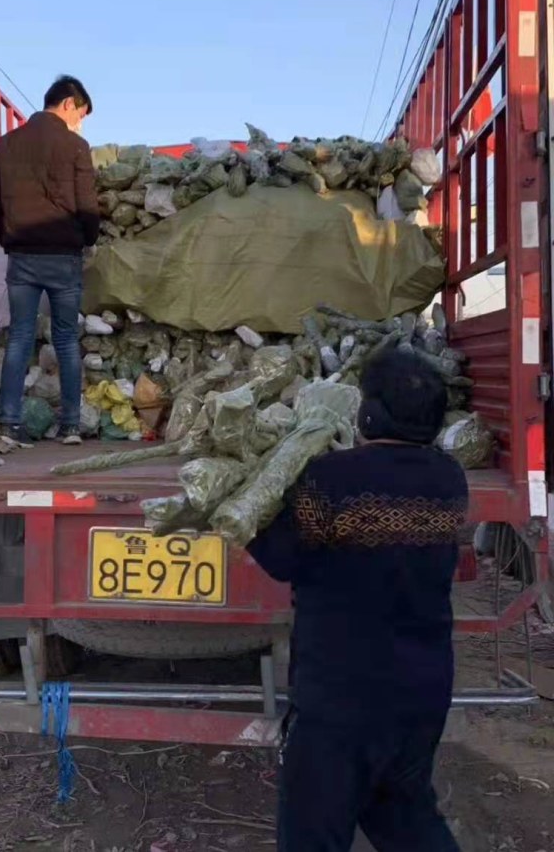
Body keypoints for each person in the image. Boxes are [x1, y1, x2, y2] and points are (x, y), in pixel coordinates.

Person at [248, 347, 467, 852]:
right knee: (405, 813)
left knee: (313, 831)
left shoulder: (331, 479)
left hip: (340, 699)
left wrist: (243, 517)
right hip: (422, 691)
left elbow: (282, 559)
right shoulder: (449, 478)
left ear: (367, 414)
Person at [0, 75, 100, 447]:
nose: (79, 123)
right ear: (68, 104)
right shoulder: (76, 146)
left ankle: (9, 423)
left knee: (20, 337)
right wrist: (87, 239)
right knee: (66, 338)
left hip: (22, 256)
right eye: (80, 114)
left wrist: (10, 241)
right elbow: (87, 205)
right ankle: (70, 426)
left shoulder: (4, 145)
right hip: (63, 257)